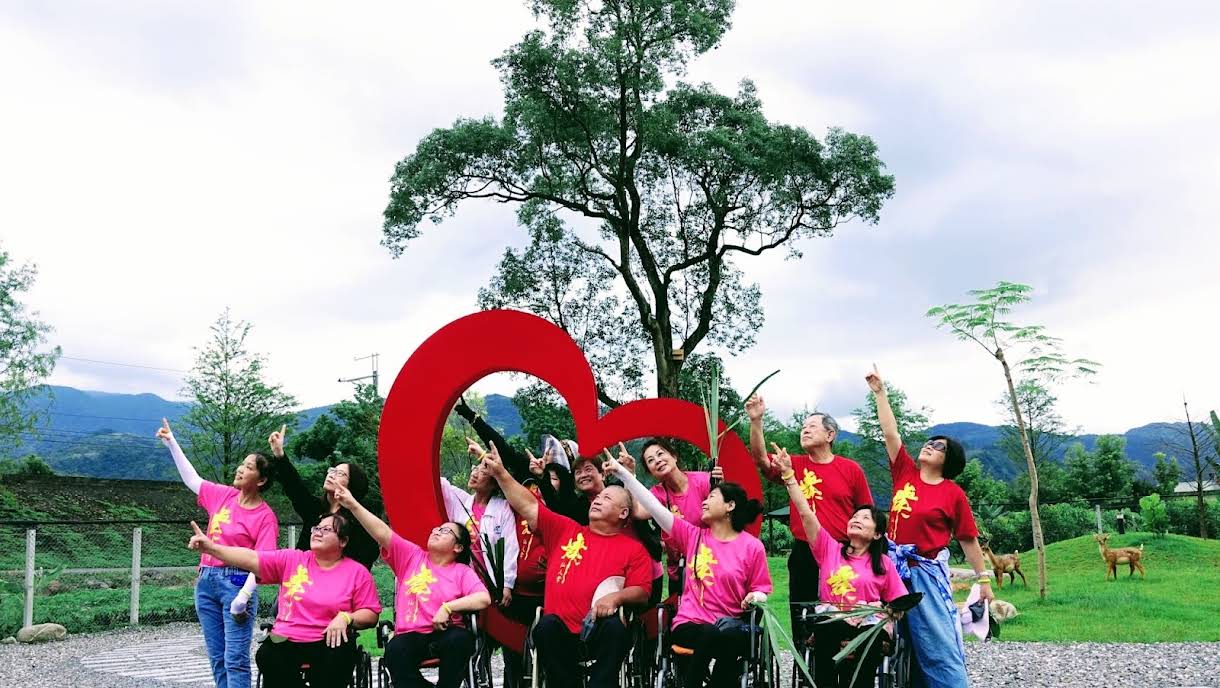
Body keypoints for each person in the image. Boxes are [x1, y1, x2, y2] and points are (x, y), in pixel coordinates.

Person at [480, 442, 653, 688]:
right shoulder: (565, 530)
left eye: (606, 498)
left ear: (623, 513)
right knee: (545, 626)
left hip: (600, 629)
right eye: (598, 498)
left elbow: (643, 591)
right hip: (559, 631)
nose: (597, 500)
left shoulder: (633, 549)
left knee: (616, 629)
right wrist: (500, 473)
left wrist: (616, 598)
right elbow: (528, 505)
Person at [867, 365, 991, 688]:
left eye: (939, 447)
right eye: (930, 442)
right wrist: (880, 393)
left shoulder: (952, 493)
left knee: (936, 643)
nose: (930, 446)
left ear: (949, 461)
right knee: (889, 639)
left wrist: (983, 579)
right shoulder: (904, 472)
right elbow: (891, 434)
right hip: (888, 566)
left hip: (924, 573)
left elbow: (968, 540)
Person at [605, 457, 771, 688]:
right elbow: (653, 506)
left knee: (731, 639)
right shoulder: (692, 536)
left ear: (730, 506)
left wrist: (755, 596)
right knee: (710, 634)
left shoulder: (752, 547)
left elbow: (761, 588)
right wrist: (623, 473)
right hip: (690, 624)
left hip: (729, 624)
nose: (704, 501)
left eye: (711, 497)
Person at [186, 513, 380, 688]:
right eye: (316, 528)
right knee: (267, 656)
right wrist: (211, 548)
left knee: (339, 659)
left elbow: (371, 614)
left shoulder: (357, 572)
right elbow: (251, 558)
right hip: (287, 639)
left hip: (329, 640)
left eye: (327, 529)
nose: (318, 532)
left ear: (343, 541)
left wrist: (346, 618)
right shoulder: (292, 559)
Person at [158, 419, 278, 688]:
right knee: (217, 658)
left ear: (261, 480)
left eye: (249, 467)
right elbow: (192, 479)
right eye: (242, 464)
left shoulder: (265, 517)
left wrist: (243, 597)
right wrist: (172, 443)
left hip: (238, 584)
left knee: (235, 658)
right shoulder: (223, 496)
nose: (240, 469)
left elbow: (262, 563)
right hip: (206, 581)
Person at [774, 446, 906, 688]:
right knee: (827, 627)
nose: (856, 519)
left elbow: (898, 601)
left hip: (868, 625)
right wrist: (789, 476)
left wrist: (895, 611)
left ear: (877, 534)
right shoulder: (829, 550)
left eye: (865, 518)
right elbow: (806, 513)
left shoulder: (884, 564)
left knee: (871, 637)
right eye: (854, 516)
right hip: (833, 621)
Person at [334, 485, 491, 688]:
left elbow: (483, 598)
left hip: (447, 632)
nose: (436, 531)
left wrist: (447, 608)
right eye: (436, 528)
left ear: (458, 547)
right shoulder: (411, 557)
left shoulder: (461, 571)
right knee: (395, 651)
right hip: (410, 635)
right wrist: (352, 504)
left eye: (445, 531)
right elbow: (382, 532)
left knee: (461, 640)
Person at [745, 396, 873, 647]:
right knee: (802, 613)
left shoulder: (851, 469)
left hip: (843, 551)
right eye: (803, 427)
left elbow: (867, 512)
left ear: (830, 435)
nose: (804, 430)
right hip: (805, 551)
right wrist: (756, 421)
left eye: (812, 426)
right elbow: (761, 459)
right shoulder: (792, 465)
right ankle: (802, 663)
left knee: (841, 611)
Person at [267, 426, 379, 569]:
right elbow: (294, 486)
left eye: (340, 474)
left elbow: (369, 554)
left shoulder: (360, 518)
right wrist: (279, 454)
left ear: (353, 484)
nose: (331, 474)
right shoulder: (315, 508)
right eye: (332, 470)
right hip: (303, 576)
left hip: (340, 580)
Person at [631, 437, 721, 594]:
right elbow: (637, 511)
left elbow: (724, 515)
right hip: (679, 573)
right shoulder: (657, 494)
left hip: (711, 566)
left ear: (674, 456)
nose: (657, 460)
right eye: (650, 460)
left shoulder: (705, 481)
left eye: (660, 454)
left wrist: (721, 488)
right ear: (650, 472)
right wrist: (629, 475)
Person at [441, 447, 519, 608]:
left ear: (495, 482)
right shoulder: (460, 501)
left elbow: (510, 546)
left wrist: (507, 584)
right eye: (475, 468)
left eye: (483, 471)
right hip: (463, 580)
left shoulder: (503, 508)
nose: (475, 473)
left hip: (492, 583)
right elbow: (439, 483)